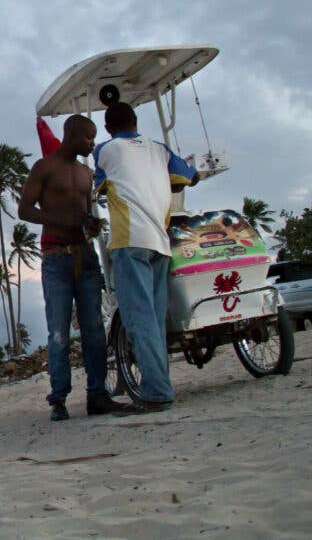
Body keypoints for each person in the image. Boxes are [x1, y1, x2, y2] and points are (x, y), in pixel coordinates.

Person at [19, 113, 137, 420]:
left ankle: (97, 395)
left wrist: (90, 224)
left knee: (94, 330)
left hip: (85, 257)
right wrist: (60, 220)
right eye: (88, 137)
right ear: (71, 135)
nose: (92, 143)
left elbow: (84, 214)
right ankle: (58, 398)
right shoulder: (44, 168)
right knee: (58, 332)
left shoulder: (86, 174)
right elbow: (24, 209)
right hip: (56, 257)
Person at [93, 103, 198, 412]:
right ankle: (160, 383)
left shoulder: (106, 150)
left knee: (139, 320)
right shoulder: (160, 149)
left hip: (130, 240)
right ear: (136, 122)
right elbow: (188, 176)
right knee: (154, 317)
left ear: (108, 127)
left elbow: (98, 185)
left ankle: (156, 391)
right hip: (160, 243)